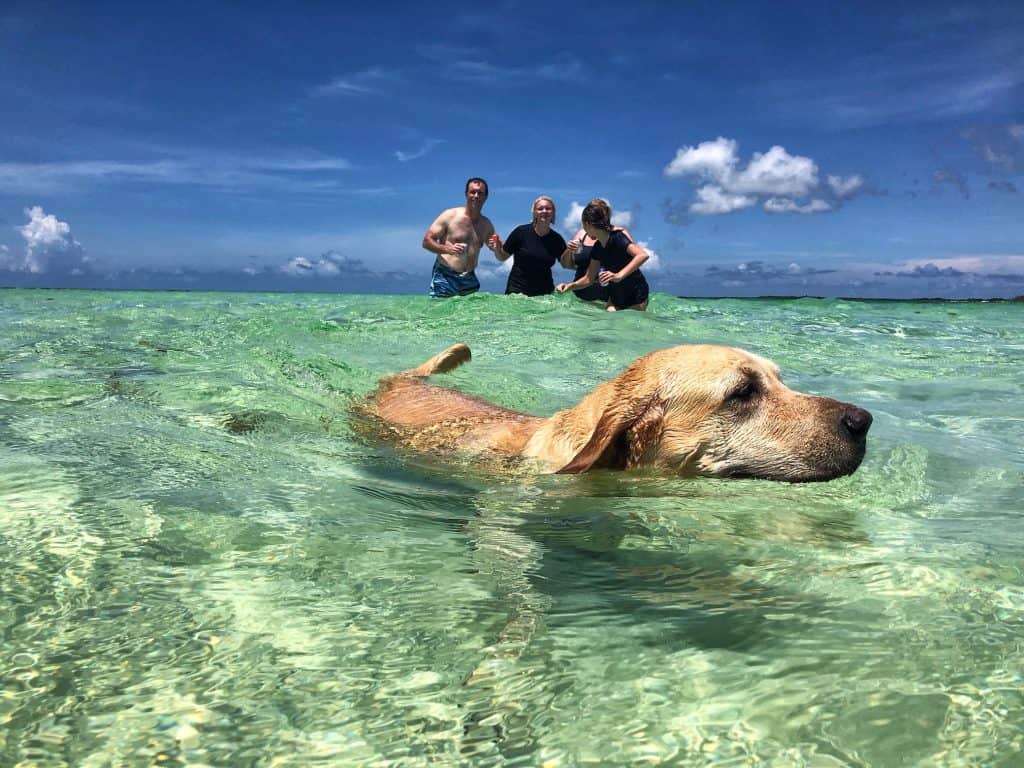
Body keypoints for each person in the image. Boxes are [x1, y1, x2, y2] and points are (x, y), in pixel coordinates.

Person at [556, 199, 650, 311]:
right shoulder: (597, 247)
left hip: (635, 291)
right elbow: (588, 278)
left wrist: (619, 275)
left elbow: (642, 255)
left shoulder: (617, 237)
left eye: (583, 226)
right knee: (609, 322)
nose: (584, 230)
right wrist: (570, 286)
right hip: (615, 292)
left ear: (588, 224)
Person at [421, 177, 500, 298]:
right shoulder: (450, 215)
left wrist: (496, 246)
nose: (476, 196)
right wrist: (447, 249)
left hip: (469, 278)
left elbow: (497, 249)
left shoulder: (486, 224)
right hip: (445, 275)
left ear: (486, 197)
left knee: (469, 316)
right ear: (466, 194)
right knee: (439, 314)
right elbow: (427, 241)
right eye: (472, 192)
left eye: (480, 193)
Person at [492, 196, 566, 296]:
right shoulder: (521, 232)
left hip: (544, 294)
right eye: (540, 208)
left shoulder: (557, 239)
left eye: (548, 208)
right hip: (517, 293)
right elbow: (502, 257)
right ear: (534, 213)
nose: (544, 211)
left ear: (553, 213)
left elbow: (567, 264)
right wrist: (497, 248)